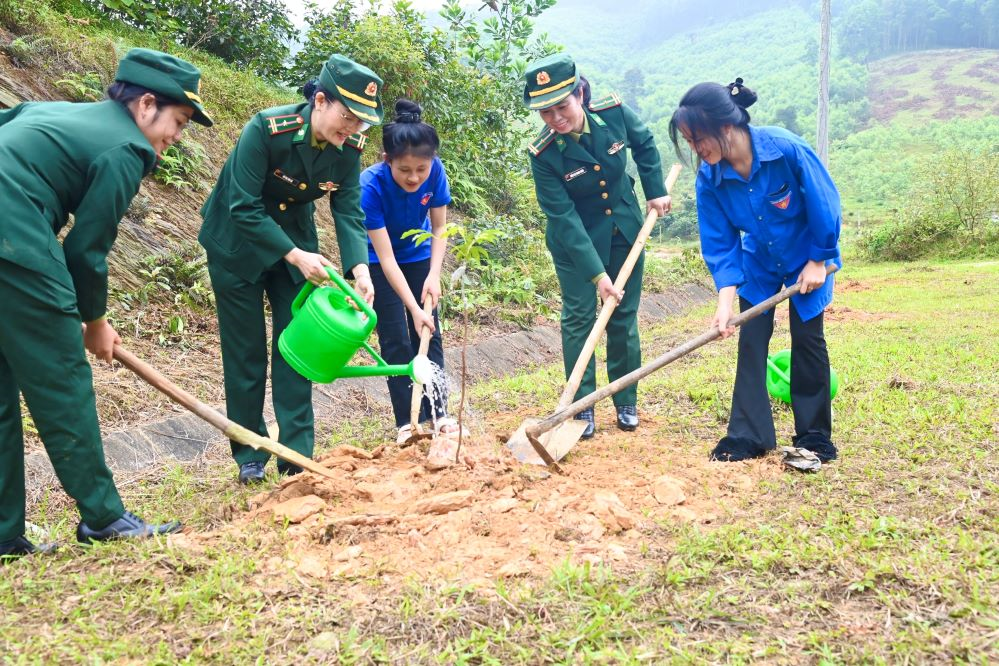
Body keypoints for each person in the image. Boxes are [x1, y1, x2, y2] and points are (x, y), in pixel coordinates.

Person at [0, 48, 212, 559]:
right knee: (62, 383)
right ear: (144, 106)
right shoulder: (124, 149)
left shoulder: (55, 111)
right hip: (13, 243)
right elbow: (86, 250)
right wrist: (94, 322)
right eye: (179, 122)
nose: (176, 138)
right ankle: (102, 516)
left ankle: (4, 535)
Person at [199, 54, 383, 485]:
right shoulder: (266, 128)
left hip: (297, 245)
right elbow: (242, 205)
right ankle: (249, 451)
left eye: (361, 123)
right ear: (320, 100)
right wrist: (295, 255)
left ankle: (296, 456)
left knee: (297, 346)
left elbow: (348, 208)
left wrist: (360, 268)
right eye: (348, 116)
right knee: (244, 353)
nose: (352, 129)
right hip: (236, 244)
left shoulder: (348, 147)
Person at [669, 78, 841, 463]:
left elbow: (825, 203)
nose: (696, 150)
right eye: (690, 142)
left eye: (699, 139)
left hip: (808, 254)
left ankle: (814, 436)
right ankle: (748, 436)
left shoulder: (785, 149)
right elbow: (720, 242)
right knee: (751, 339)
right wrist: (725, 301)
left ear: (725, 127)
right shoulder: (709, 179)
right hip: (759, 260)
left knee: (807, 338)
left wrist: (818, 259)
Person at [524, 53, 670, 438]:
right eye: (545, 112)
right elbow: (564, 218)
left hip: (624, 228)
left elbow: (644, 143)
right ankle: (581, 405)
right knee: (578, 318)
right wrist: (597, 275)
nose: (556, 118)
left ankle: (624, 397)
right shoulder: (542, 155)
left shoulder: (613, 114)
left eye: (562, 106)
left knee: (623, 316)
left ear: (580, 94)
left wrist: (655, 191)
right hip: (575, 246)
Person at [359, 99, 458, 444]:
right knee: (396, 338)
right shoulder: (370, 186)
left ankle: (440, 413)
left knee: (429, 333)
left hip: (420, 256)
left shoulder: (437, 172)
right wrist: (413, 308)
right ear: (387, 161)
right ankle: (406, 421)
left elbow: (440, 229)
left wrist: (434, 275)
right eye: (405, 170)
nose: (415, 177)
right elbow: (386, 259)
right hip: (378, 261)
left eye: (422, 169)